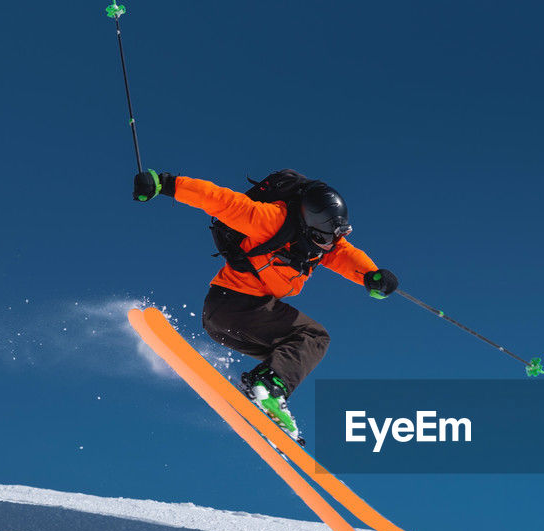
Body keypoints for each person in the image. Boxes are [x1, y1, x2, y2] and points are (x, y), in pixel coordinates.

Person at [132, 168, 399, 442]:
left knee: (293, 354)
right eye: (322, 238)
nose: (327, 246)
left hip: (227, 321)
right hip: (235, 304)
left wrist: (371, 275)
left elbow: (344, 255)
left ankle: (267, 393)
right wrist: (164, 184)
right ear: (307, 223)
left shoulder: (324, 245)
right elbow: (221, 201)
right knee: (313, 337)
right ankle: (269, 386)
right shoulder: (272, 220)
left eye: (333, 238)